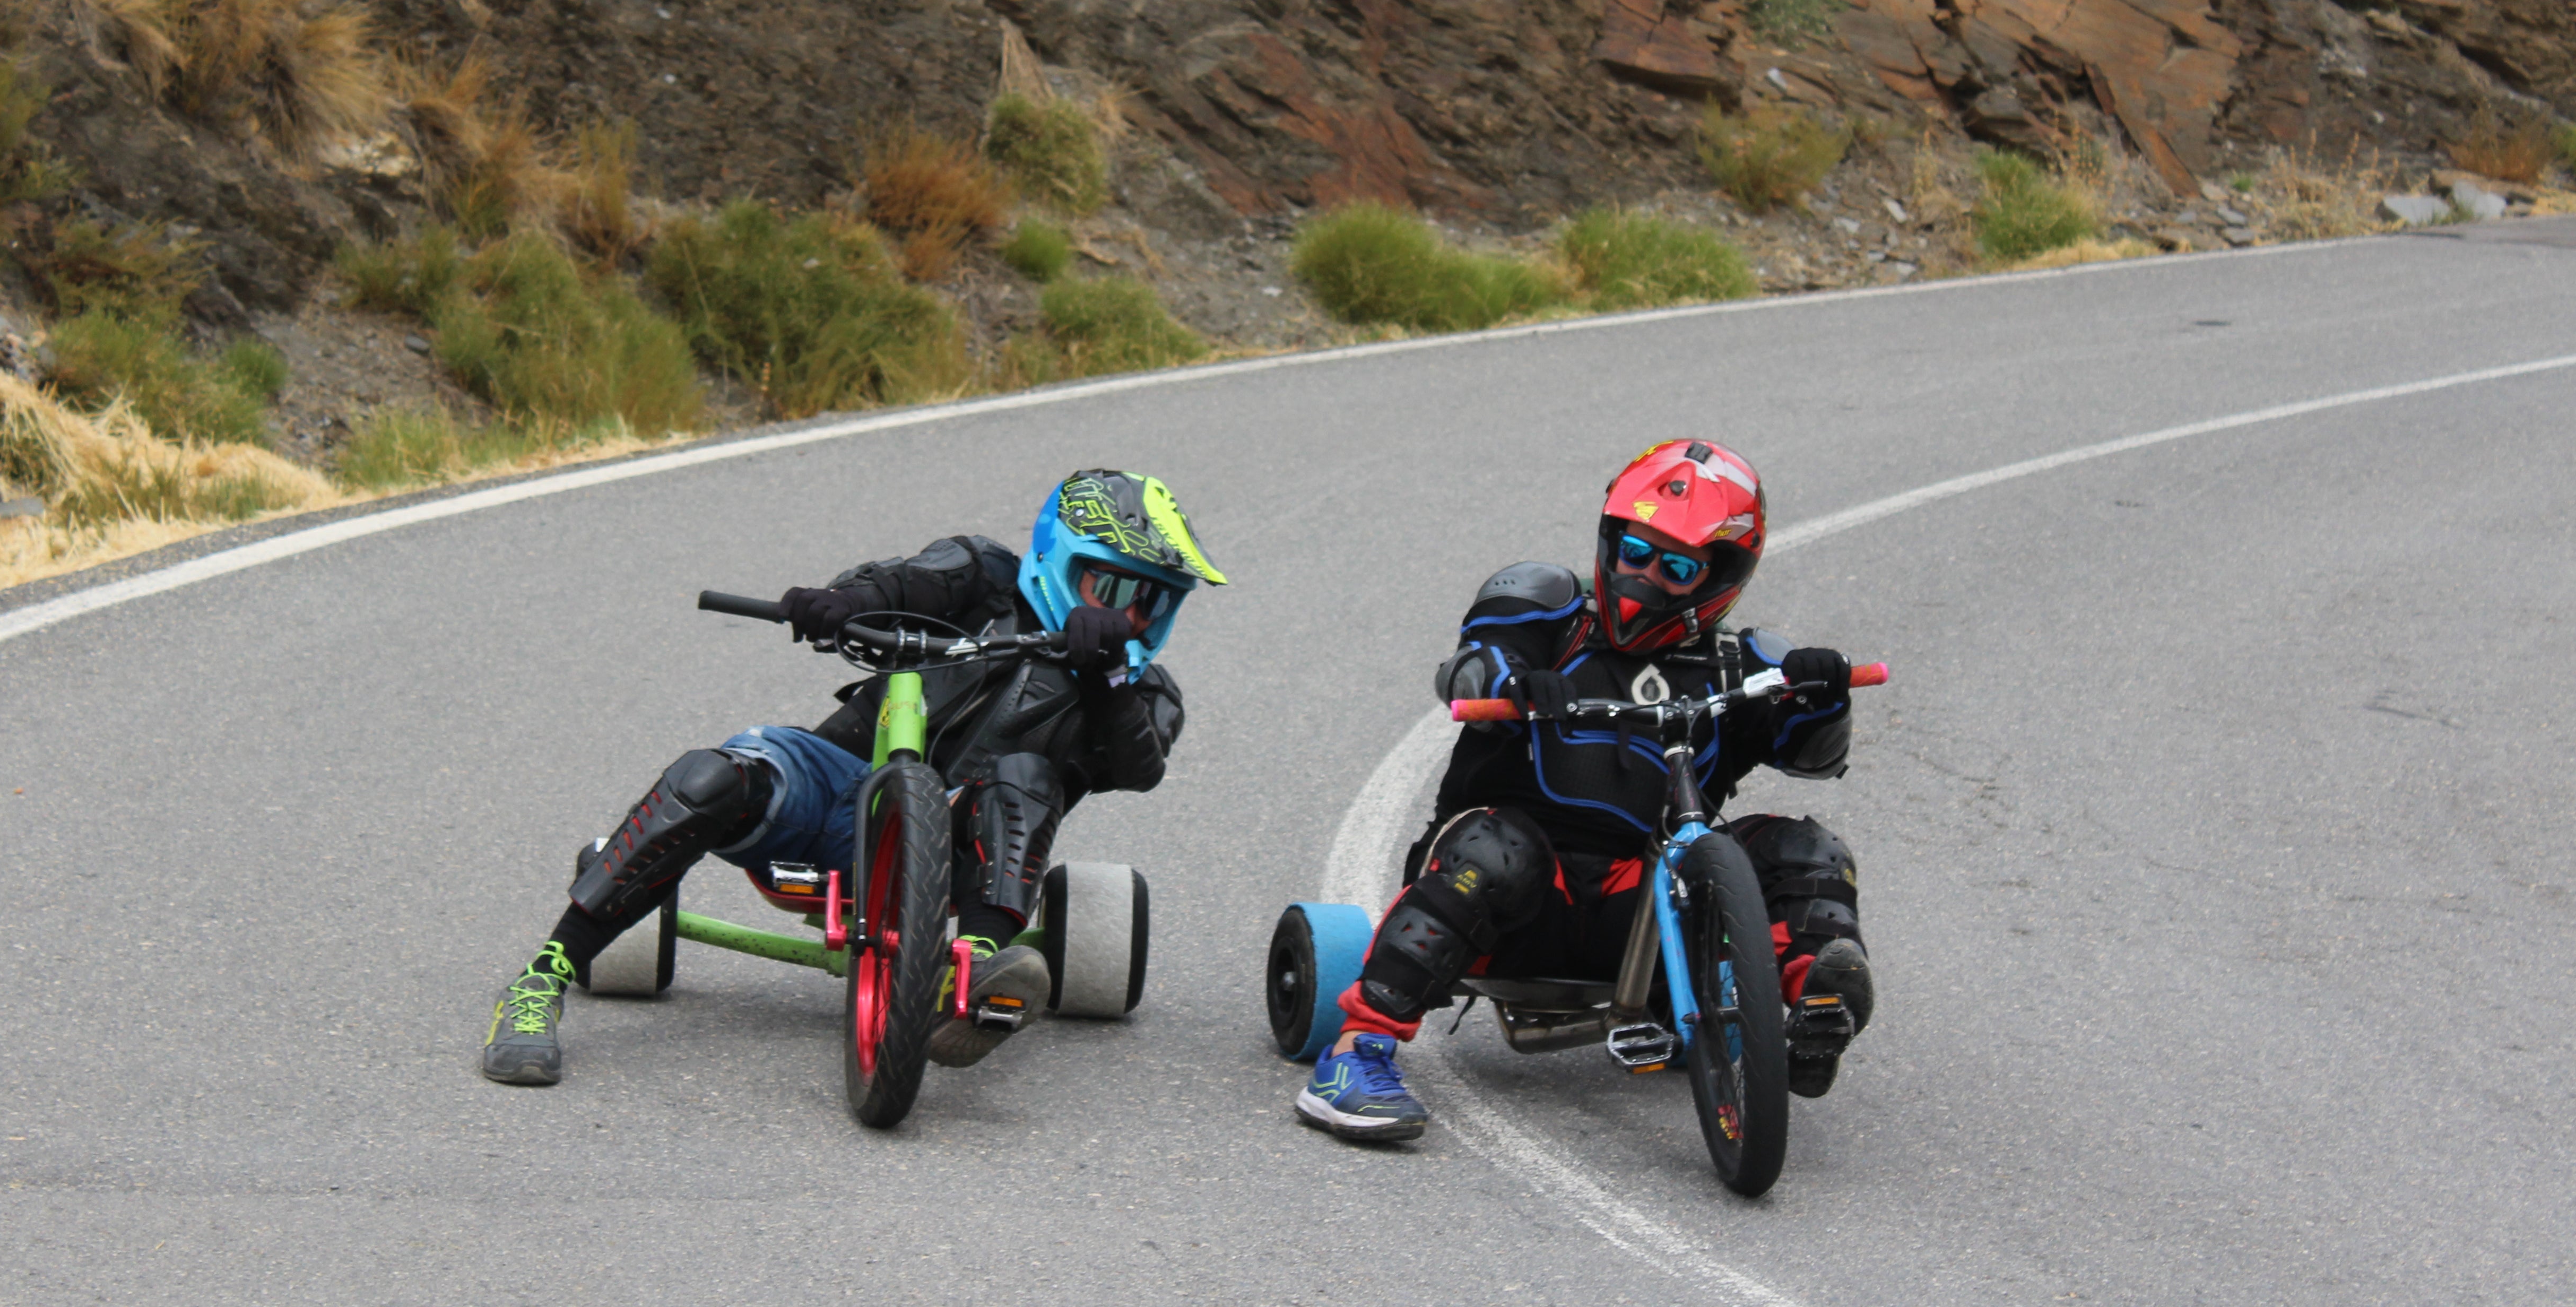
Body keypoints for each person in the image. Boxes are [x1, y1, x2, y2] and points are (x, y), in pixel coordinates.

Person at [482, 468, 1223, 1086]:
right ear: (1061, 561)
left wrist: (1106, 682)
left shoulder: (1145, 692)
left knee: (1026, 774)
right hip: (840, 795)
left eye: (1153, 602)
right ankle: (540, 980)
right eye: (1119, 591)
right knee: (711, 776)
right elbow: (899, 584)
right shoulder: (985, 575)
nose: (1134, 617)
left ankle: (974, 974)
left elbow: (1139, 768)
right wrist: (841, 603)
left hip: (970, 854)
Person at [1295, 439, 1874, 1141]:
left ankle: (1815, 1004)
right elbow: (1468, 668)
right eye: (1634, 551)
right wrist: (1512, 681)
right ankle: (1355, 1057)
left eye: (1678, 567)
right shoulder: (1547, 608)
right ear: (1610, 541)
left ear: (1720, 579)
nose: (1644, 578)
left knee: (1809, 851)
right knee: (1501, 849)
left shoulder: (1741, 662)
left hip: (1651, 915)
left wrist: (1821, 698)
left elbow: (1815, 758)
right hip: (1517, 901)